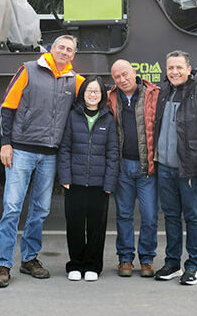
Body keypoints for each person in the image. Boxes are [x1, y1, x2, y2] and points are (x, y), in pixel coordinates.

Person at [0, 35, 84, 288]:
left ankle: (29, 258)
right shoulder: (28, 70)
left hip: (50, 154)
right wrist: (6, 143)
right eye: (61, 47)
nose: (64, 52)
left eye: (69, 49)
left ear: (73, 55)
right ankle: (3, 264)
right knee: (12, 207)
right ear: (51, 49)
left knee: (41, 210)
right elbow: (7, 108)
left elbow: (98, 97)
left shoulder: (75, 81)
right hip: (21, 151)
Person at [153, 50, 197, 285]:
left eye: (179, 67)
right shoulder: (163, 91)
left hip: (191, 171)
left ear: (189, 69)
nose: (174, 72)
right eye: (170, 67)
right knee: (171, 216)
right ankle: (172, 263)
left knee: (193, 218)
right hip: (164, 168)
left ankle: (193, 266)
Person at [57, 76, 119, 282]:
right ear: (83, 93)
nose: (93, 94)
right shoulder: (72, 116)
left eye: (97, 91)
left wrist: (109, 182)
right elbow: (64, 148)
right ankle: (75, 264)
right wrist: (64, 176)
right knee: (74, 224)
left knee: (96, 226)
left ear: (102, 95)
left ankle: (93, 265)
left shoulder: (108, 118)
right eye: (89, 91)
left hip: (99, 184)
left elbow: (112, 153)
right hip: (74, 181)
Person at [107, 59, 160, 277]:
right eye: (117, 77)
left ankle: (147, 259)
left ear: (134, 72)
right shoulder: (110, 97)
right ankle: (125, 259)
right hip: (122, 167)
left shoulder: (152, 93)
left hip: (145, 167)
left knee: (149, 216)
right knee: (124, 215)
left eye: (125, 74)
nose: (122, 79)